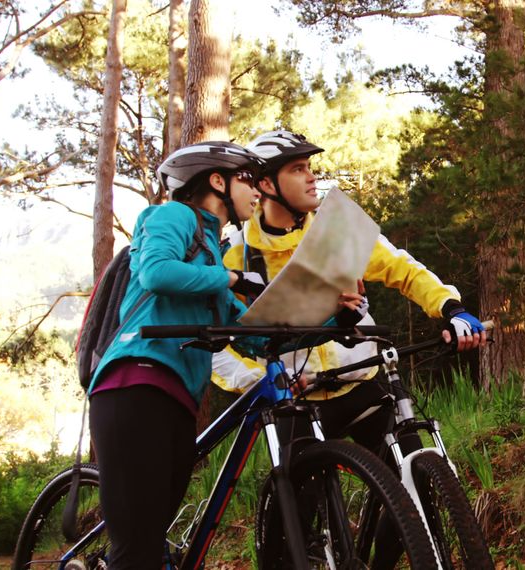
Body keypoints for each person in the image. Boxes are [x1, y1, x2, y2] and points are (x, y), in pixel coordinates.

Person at [211, 128, 486, 454]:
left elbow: (403, 269)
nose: (312, 177)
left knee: (418, 483)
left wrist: (450, 308)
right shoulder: (234, 256)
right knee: (299, 503)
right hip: (295, 402)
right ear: (266, 184)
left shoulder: (338, 232)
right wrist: (260, 378)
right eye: (298, 169)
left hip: (364, 381)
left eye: (310, 167)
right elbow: (215, 346)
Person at [87, 141, 267, 569]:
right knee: (137, 552)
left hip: (176, 400)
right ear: (217, 181)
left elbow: (252, 332)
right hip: (134, 384)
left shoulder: (210, 254)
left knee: (148, 540)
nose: (257, 192)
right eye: (248, 180)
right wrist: (232, 275)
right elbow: (155, 270)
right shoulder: (172, 215)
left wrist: (332, 317)